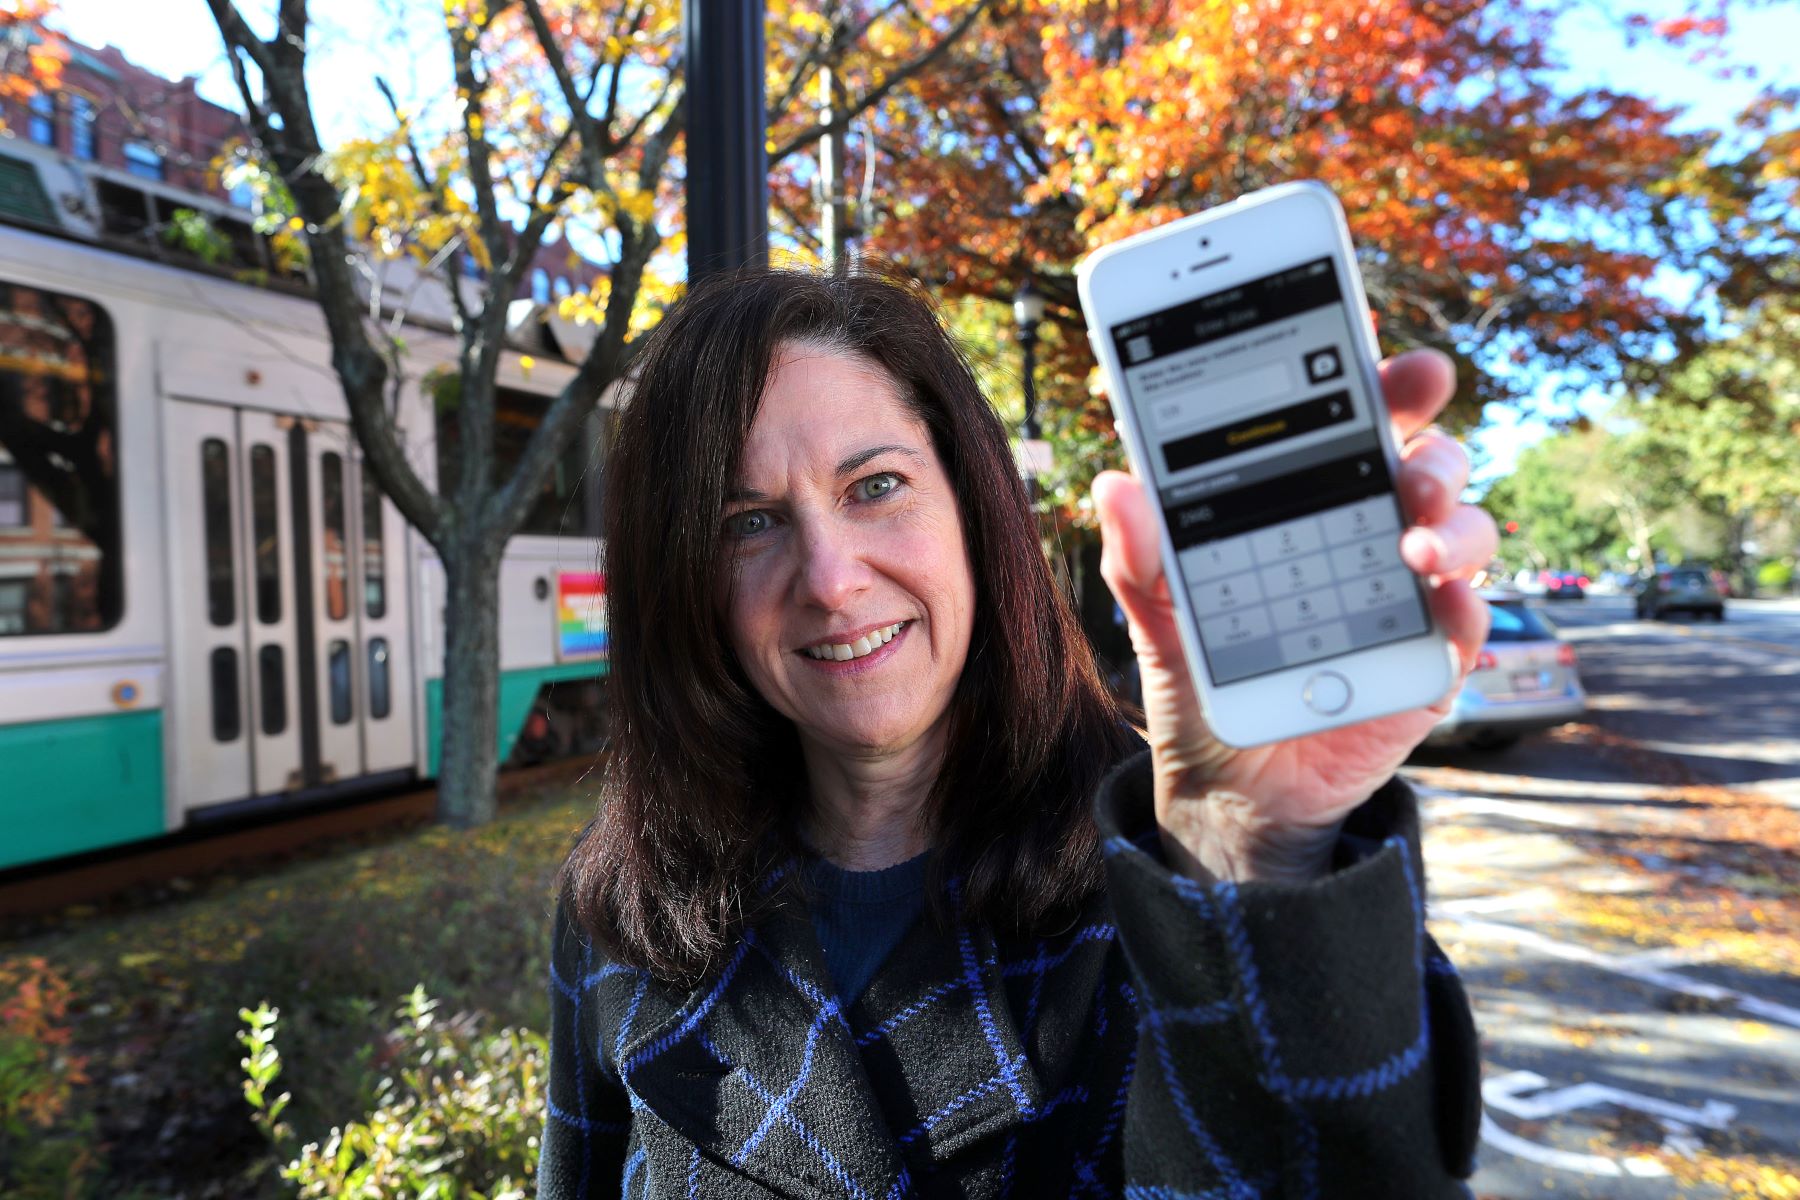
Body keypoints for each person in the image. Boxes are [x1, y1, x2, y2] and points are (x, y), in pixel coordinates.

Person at [540, 267, 1494, 1199]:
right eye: (748, 522)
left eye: (875, 487)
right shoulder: (625, 898)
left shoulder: (1176, 877)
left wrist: (1259, 855)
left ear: (975, 510)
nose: (830, 579)